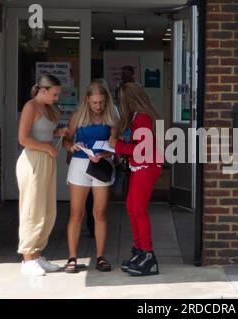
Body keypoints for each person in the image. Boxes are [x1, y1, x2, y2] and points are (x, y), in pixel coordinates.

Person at [109, 82, 163, 276]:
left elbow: (144, 149)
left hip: (147, 166)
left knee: (138, 210)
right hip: (140, 165)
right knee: (132, 208)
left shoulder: (142, 118)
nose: (119, 104)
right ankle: (140, 251)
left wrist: (117, 146)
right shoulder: (135, 117)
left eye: (121, 100)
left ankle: (148, 255)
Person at [63, 80, 117, 273]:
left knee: (100, 214)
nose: (98, 106)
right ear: (87, 100)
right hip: (79, 164)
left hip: (101, 166)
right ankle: (72, 258)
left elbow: (114, 146)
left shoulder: (111, 117)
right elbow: (67, 140)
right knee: (76, 214)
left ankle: (100, 256)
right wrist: (72, 147)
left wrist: (105, 153)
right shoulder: (77, 116)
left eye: (101, 102)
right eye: (94, 102)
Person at [16, 74, 67, 276]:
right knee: (32, 209)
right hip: (33, 162)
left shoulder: (46, 108)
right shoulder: (30, 106)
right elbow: (23, 138)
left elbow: (43, 132)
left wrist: (58, 133)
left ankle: (36, 255)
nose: (56, 98)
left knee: (46, 210)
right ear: (43, 91)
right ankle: (27, 259)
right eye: (54, 94)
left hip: (45, 160)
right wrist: (47, 147)